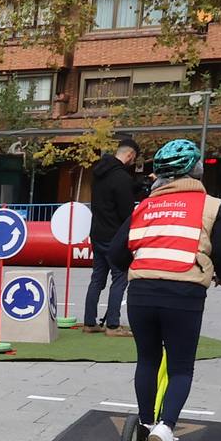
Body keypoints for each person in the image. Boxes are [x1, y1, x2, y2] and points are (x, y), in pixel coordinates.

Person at [110, 139, 221, 441]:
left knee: (147, 360)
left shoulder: (144, 207)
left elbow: (116, 252)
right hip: (184, 291)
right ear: (196, 170)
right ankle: (166, 426)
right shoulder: (210, 205)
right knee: (181, 366)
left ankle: (144, 423)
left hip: (141, 291)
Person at [83, 138, 141, 335]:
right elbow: (126, 213)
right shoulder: (122, 178)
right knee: (120, 278)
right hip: (115, 236)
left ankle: (89, 322)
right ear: (130, 155)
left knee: (97, 278)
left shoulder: (98, 173)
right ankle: (113, 325)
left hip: (97, 232)